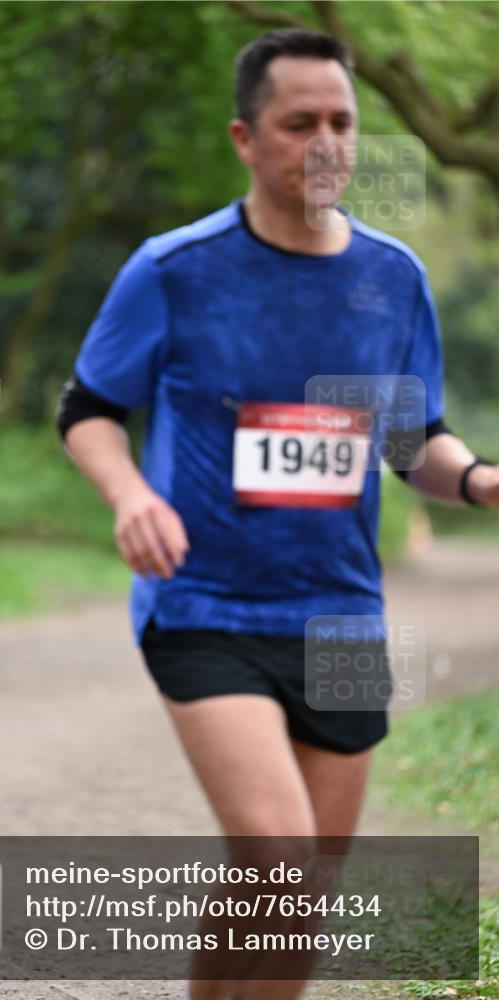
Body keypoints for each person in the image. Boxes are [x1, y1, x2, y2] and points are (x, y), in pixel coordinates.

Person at [58, 30, 499, 999]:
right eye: (299, 123)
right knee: (278, 851)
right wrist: (130, 492)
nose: (326, 143)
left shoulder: (392, 279)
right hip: (203, 604)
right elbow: (87, 410)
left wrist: (475, 482)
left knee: (303, 888)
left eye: (341, 121)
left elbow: (410, 437)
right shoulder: (174, 270)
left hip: (340, 612)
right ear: (245, 139)